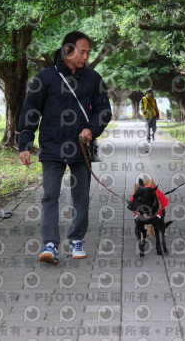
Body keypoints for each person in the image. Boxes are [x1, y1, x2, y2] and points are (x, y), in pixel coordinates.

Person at [18, 31, 112, 264]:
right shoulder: (45, 78)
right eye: (83, 52)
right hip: (52, 146)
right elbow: (31, 110)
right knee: (50, 195)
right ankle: (49, 245)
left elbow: (104, 110)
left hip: (81, 147)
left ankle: (76, 240)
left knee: (81, 197)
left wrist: (91, 129)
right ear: (67, 50)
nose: (86, 56)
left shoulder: (93, 78)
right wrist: (25, 144)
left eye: (88, 52)